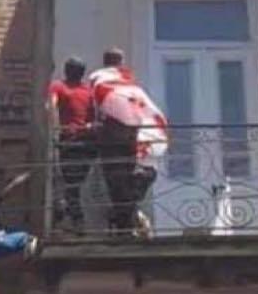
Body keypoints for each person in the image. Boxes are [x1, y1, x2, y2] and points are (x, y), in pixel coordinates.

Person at [90, 49, 168, 238]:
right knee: (123, 185)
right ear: (121, 62)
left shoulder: (101, 84)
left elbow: (96, 111)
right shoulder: (123, 86)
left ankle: (128, 224)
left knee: (120, 185)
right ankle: (128, 225)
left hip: (116, 141)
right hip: (121, 141)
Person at [47, 56, 96, 231]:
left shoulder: (63, 87)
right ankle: (75, 218)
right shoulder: (64, 87)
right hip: (74, 141)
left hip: (81, 141)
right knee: (72, 182)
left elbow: (50, 106)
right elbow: (51, 106)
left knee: (73, 182)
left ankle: (69, 215)